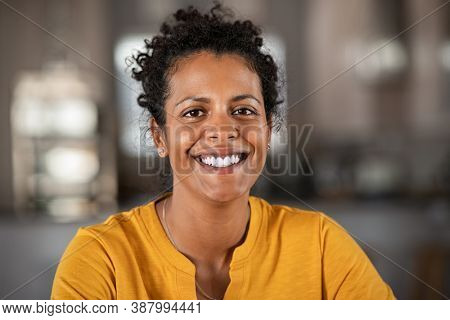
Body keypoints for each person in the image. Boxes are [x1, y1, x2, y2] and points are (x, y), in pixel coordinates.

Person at [51, 4, 396, 300]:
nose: (223, 130)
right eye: (194, 112)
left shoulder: (321, 246)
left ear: (267, 126)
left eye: (244, 110)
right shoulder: (101, 259)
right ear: (159, 136)